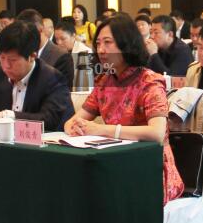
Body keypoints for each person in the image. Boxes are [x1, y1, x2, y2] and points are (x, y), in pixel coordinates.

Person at [65, 15, 184, 205]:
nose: (101, 50)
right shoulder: (105, 81)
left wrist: (101, 129)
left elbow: (157, 133)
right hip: (114, 161)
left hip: (149, 165)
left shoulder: (149, 82)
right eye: (98, 43)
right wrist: (73, 126)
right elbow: (73, 121)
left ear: (127, 44)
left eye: (108, 43)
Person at [0, 21, 74, 132]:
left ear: (32, 56)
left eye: (13, 60)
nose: (6, 65)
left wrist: (8, 115)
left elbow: (49, 119)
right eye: (2, 58)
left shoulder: (52, 79)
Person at [16, 9, 73, 81]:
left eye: (27, 34)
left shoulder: (61, 56)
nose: (24, 39)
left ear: (41, 30)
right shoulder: (21, 54)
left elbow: (62, 86)